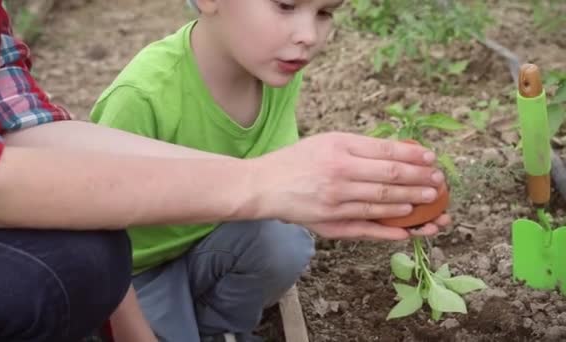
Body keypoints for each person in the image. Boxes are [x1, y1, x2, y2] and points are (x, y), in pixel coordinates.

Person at [88, 0, 451, 341]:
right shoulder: (141, 96)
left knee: (284, 240)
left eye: (324, 12)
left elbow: (281, 187)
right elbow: (94, 233)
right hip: (133, 274)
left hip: (212, 246)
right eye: (286, 5)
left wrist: (359, 199)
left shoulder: (276, 70)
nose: (309, 35)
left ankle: (219, 327)